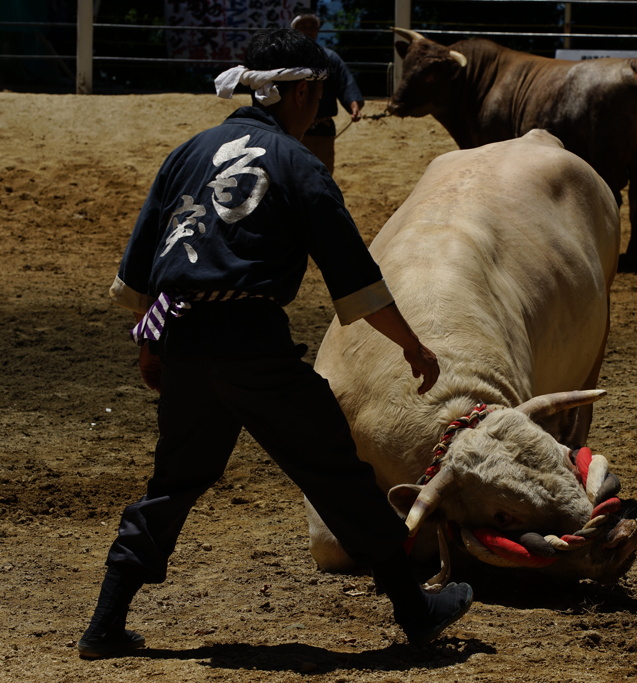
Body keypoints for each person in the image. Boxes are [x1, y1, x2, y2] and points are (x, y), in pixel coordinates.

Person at [77, 28, 473, 660]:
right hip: (250, 343)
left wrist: (151, 348)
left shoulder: (186, 153)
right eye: (321, 93)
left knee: (175, 479)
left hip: (182, 336)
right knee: (334, 470)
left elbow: (152, 269)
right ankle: (414, 607)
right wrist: (415, 347)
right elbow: (356, 276)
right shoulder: (298, 165)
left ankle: (104, 623)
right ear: (304, 92)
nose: (321, 106)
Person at [291, 13, 364, 174]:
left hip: (322, 129)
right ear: (295, 30)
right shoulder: (286, 59)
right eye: (304, 27)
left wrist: (354, 106)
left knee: (322, 173)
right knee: (292, 173)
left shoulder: (330, 58)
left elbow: (346, 84)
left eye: (312, 27)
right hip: (291, 127)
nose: (308, 31)